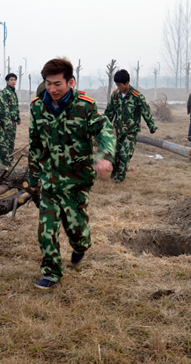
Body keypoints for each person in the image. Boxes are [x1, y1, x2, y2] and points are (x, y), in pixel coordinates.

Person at [29, 58, 116, 289]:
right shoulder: (38, 106)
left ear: (71, 82)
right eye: (48, 83)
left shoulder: (84, 106)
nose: (52, 89)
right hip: (50, 181)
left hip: (77, 181)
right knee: (46, 230)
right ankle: (51, 273)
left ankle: (80, 246)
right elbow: (35, 143)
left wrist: (105, 156)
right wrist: (32, 177)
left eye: (57, 83)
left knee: (76, 230)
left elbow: (105, 129)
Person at [104, 69, 156, 183]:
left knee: (124, 154)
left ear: (127, 83)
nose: (118, 87)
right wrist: (103, 125)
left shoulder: (137, 96)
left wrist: (152, 126)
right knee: (115, 153)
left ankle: (120, 178)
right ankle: (115, 170)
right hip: (117, 130)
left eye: (120, 85)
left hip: (130, 132)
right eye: (116, 85)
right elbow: (109, 112)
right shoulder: (115, 95)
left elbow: (145, 111)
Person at [2, 73, 20, 153]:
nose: (13, 82)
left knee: (12, 139)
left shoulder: (13, 92)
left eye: (15, 80)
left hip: (14, 120)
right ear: (7, 81)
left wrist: (18, 118)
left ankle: (11, 157)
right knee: (7, 140)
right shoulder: (5, 92)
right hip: (8, 121)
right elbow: (4, 107)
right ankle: (7, 158)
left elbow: (15, 106)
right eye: (11, 80)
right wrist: (8, 119)